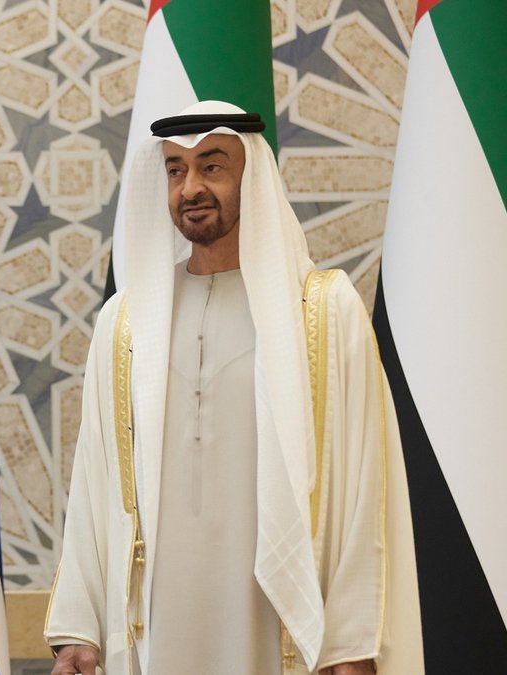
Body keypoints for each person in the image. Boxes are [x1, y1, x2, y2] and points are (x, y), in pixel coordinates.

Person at [44, 101, 423, 675]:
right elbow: (95, 480)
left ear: (253, 177)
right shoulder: (126, 320)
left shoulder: (322, 310)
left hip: (275, 623)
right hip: (158, 621)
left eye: (212, 166)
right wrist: (80, 626)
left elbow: (365, 479)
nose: (191, 187)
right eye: (176, 170)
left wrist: (350, 643)